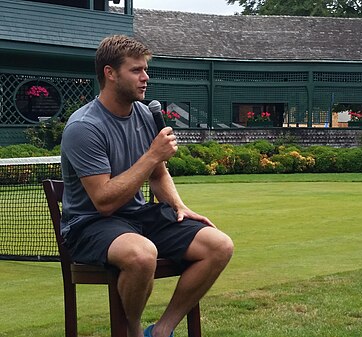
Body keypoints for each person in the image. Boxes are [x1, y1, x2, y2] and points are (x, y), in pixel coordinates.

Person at [60, 35, 234, 337]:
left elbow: (158, 174)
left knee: (219, 246)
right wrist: (153, 153)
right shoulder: (83, 127)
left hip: (135, 217)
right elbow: (104, 201)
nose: (145, 77)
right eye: (136, 70)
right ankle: (135, 331)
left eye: (145, 69)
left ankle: (162, 330)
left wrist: (178, 205)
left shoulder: (142, 113)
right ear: (110, 73)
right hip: (88, 225)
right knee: (142, 255)